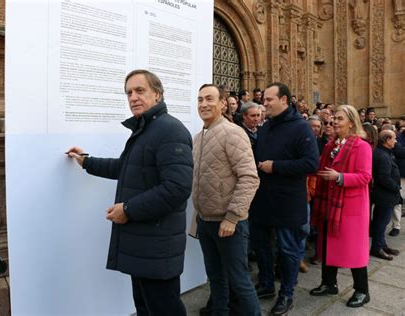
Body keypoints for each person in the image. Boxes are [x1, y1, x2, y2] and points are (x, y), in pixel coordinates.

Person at [67, 69, 193, 316]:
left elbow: (177, 188)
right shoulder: (146, 130)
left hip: (157, 246)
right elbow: (126, 168)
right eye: (129, 92)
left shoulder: (170, 130)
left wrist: (128, 210)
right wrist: (87, 161)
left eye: (140, 90)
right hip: (144, 242)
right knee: (146, 308)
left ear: (157, 94)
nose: (133, 97)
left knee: (164, 309)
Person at [249, 82, 319, 315]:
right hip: (262, 201)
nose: (264, 103)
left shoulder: (301, 128)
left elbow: (311, 164)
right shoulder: (266, 126)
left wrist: (275, 166)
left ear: (284, 101)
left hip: (288, 203)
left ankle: (286, 294)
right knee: (262, 247)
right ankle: (267, 285)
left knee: (288, 252)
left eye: (269, 99)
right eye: (264, 99)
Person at [193, 84, 261, 316]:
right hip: (206, 222)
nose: (204, 104)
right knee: (216, 280)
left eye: (210, 99)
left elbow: (249, 178)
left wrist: (232, 217)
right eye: (200, 99)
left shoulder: (233, 133)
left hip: (229, 225)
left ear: (223, 103)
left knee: (239, 283)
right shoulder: (198, 138)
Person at [310, 105, 372, 308]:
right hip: (331, 204)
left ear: (352, 123)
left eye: (339, 119)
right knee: (328, 247)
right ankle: (329, 284)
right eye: (333, 118)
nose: (334, 122)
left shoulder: (362, 146)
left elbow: (365, 177)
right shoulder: (330, 145)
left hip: (351, 208)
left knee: (355, 251)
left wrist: (340, 177)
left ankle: (362, 291)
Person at [370, 130, 401, 260]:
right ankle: (376, 248)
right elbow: (384, 178)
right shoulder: (382, 155)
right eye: (394, 138)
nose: (396, 141)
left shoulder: (384, 152)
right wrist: (396, 187)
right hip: (384, 196)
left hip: (385, 195)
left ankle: (382, 245)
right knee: (381, 222)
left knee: (382, 221)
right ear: (387, 140)